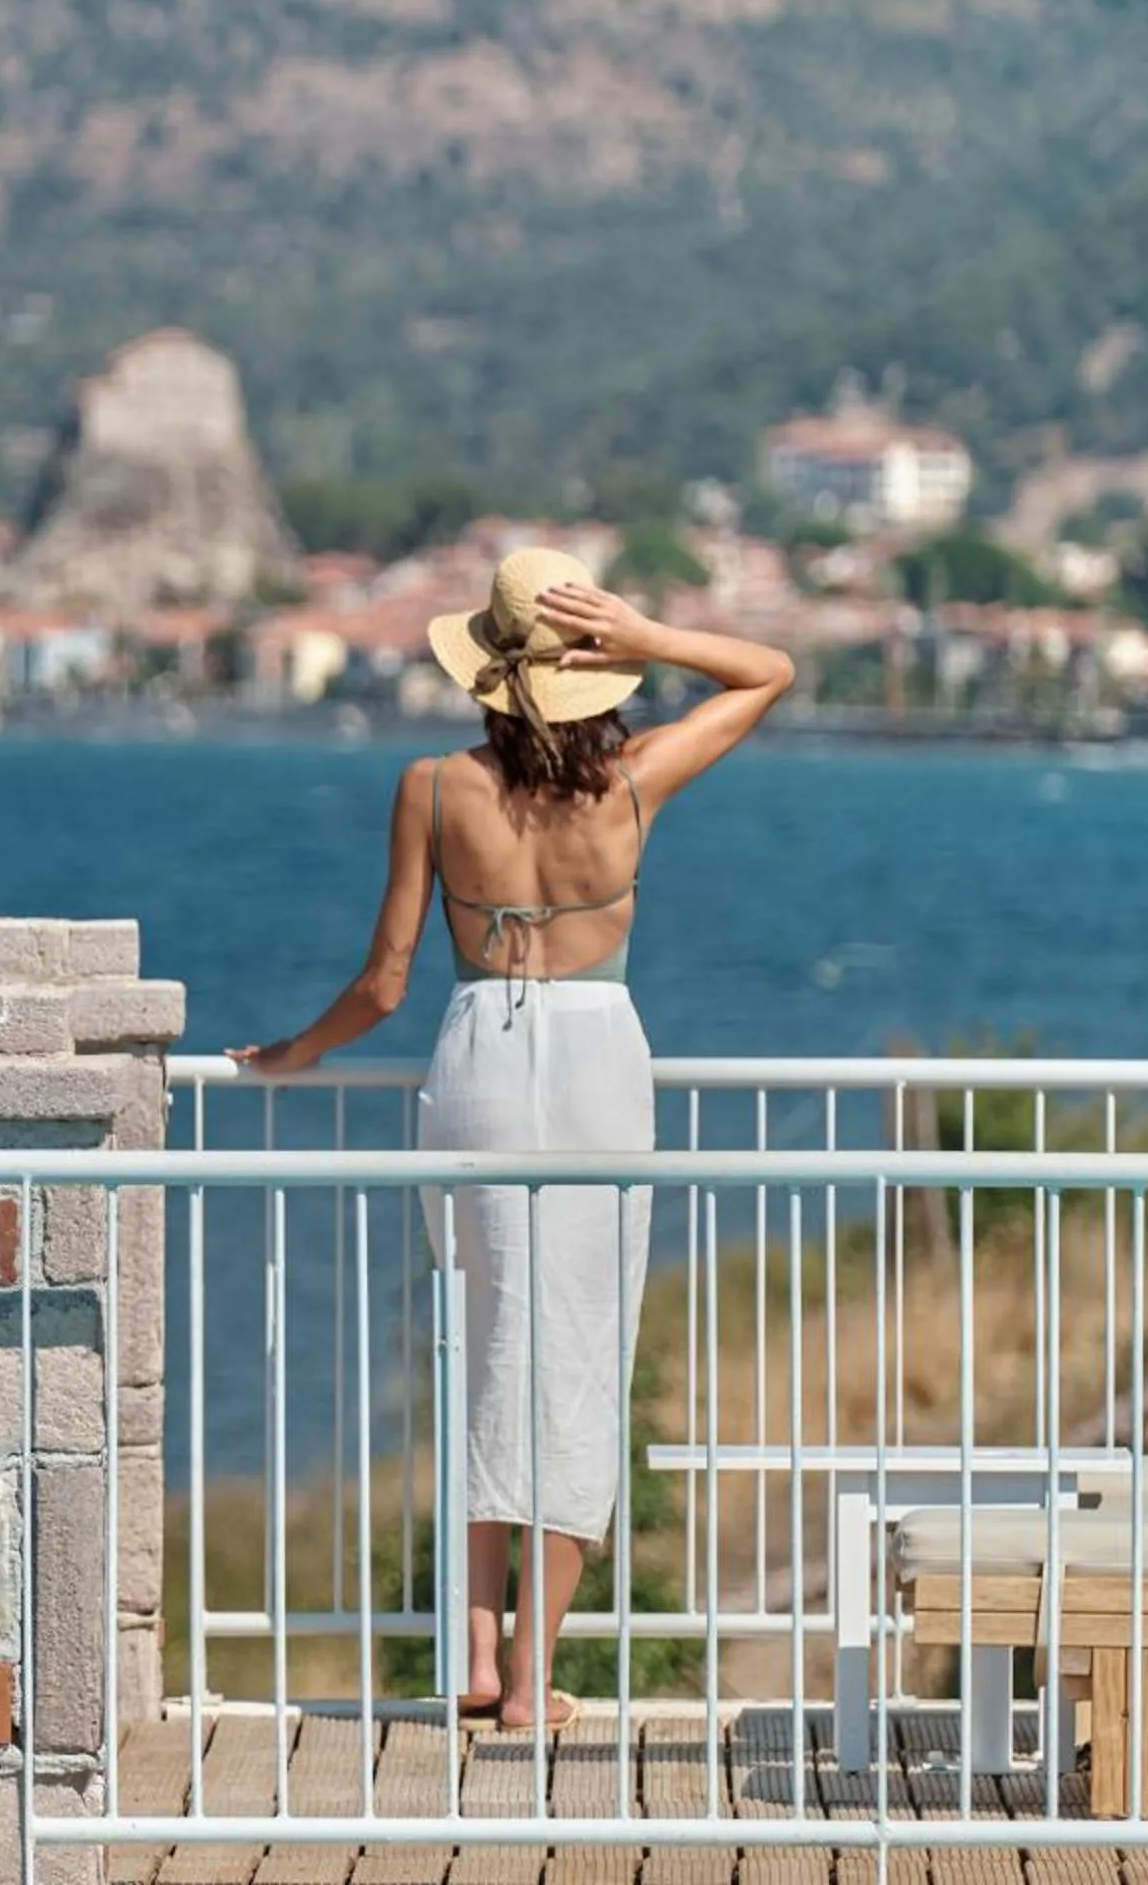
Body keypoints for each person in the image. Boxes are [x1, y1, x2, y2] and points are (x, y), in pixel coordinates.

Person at [230, 545, 794, 1733]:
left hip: (479, 1051)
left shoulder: (434, 785)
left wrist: (300, 1050)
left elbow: (384, 984)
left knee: (486, 1342)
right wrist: (650, 633)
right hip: (599, 1063)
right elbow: (769, 672)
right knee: (579, 1358)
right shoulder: (634, 783)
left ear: (484, 671)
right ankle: (535, 1676)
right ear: (595, 673)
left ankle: (475, 1655)